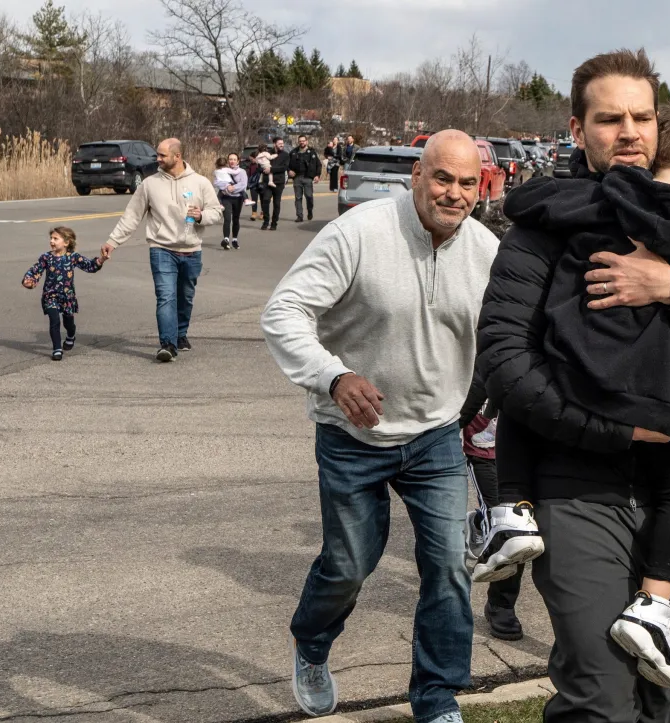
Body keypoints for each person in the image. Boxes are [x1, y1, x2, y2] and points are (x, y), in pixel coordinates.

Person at [475, 49, 670, 723]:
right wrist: (617, 428)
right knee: (598, 688)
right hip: (577, 484)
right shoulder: (542, 226)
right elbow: (507, 359)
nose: (629, 131)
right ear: (576, 127)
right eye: (609, 117)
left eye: (642, 116)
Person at [261, 129, 499, 723]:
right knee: (350, 564)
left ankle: (437, 698)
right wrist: (334, 377)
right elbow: (283, 312)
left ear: (482, 187)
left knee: (448, 565)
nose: (454, 192)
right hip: (351, 438)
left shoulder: (486, 252)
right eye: (442, 177)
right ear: (416, 177)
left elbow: (510, 339)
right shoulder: (359, 232)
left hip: (436, 435)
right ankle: (312, 645)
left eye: (467, 182)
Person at [101, 138, 223, 362]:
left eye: (162, 155)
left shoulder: (200, 182)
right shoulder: (149, 184)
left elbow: (217, 212)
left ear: (177, 156)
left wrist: (202, 216)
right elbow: (132, 216)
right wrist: (113, 241)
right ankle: (168, 344)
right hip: (162, 248)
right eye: (157, 154)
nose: (157, 159)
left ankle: (180, 333)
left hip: (192, 249)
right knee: (165, 297)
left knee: (185, 297)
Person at [458, 386, 527, 642]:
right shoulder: (474, 349)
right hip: (484, 450)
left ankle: (479, 521)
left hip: (530, 448)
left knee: (533, 526)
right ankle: (501, 605)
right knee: (512, 527)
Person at [22, 226, 106, 361]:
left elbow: (89, 266)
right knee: (54, 321)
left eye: (56, 238)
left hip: (67, 297)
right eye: (51, 238)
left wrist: (101, 260)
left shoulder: (72, 257)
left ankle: (71, 335)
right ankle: (57, 348)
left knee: (68, 323)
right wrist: (29, 280)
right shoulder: (46, 257)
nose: (52, 241)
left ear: (66, 242)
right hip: (50, 295)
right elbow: (35, 270)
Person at [213, 153, 248, 250]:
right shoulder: (223, 170)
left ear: (238, 161)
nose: (232, 161)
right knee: (227, 218)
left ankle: (235, 239)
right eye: (230, 159)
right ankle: (226, 239)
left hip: (238, 198)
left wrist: (233, 187)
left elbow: (243, 184)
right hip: (226, 198)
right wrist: (227, 187)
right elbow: (216, 182)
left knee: (236, 219)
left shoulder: (242, 172)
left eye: (234, 159)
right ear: (228, 161)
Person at [289, 135, 322, 222]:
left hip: (308, 177)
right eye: (300, 141)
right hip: (297, 177)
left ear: (306, 141)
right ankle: (299, 216)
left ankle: (310, 211)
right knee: (298, 198)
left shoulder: (312, 152)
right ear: (298, 142)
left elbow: (318, 165)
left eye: (303, 141)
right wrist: (289, 171)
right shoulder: (293, 152)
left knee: (309, 196)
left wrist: (317, 175)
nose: (302, 142)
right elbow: (287, 164)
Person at [261, 137, 289, 231]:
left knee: (276, 203)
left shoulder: (285, 155)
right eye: (279, 143)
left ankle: (274, 223)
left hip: (279, 182)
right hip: (267, 182)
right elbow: (260, 164)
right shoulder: (268, 153)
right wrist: (263, 169)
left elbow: (284, 168)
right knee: (265, 200)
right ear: (274, 144)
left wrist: (271, 169)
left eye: (282, 143)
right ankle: (265, 221)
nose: (282, 144)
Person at [246, 150, 263, 221]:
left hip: (261, 184)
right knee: (254, 199)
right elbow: (249, 174)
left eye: (252, 159)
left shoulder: (262, 164)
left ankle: (263, 213)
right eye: (251, 159)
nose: (251, 161)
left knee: (263, 199)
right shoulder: (251, 165)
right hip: (253, 185)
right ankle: (254, 213)